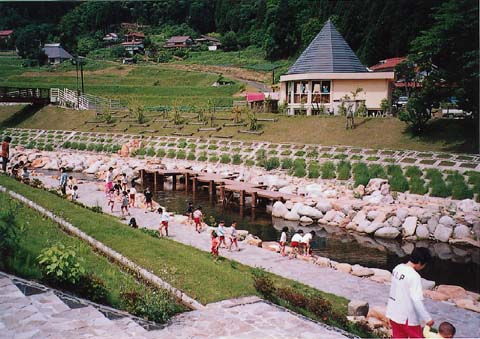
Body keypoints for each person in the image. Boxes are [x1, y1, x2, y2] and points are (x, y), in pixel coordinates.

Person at [386, 247, 434, 339]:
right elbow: (416, 301)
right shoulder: (414, 276)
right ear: (420, 262)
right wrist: (427, 318)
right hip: (407, 317)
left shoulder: (397, 268)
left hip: (393, 313)